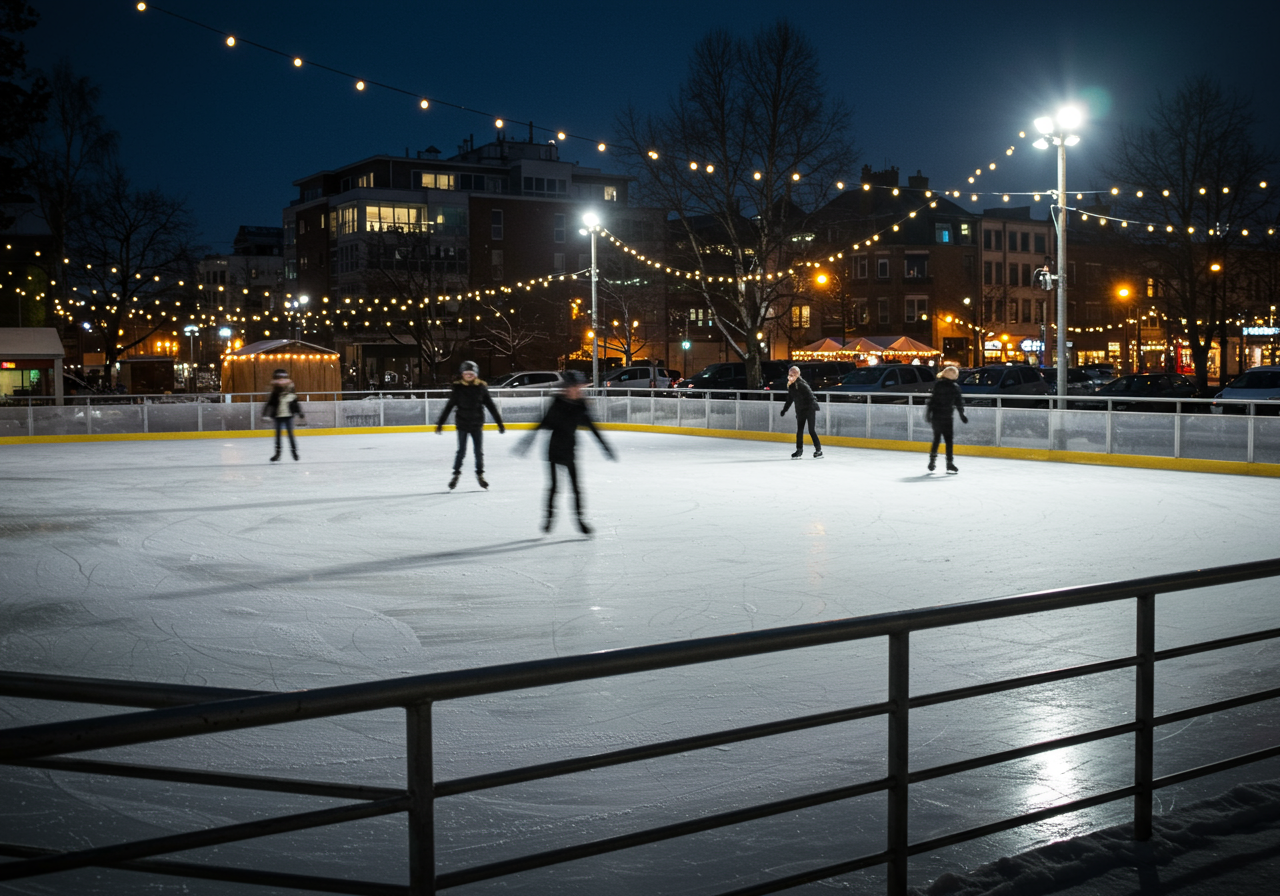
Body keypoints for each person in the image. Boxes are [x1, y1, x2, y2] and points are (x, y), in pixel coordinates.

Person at [515, 371, 615, 535]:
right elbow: (543, 422)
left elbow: (592, 426)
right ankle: (549, 519)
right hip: (554, 449)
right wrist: (526, 441)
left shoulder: (581, 405)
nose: (578, 390)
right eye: (575, 387)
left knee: (576, 488)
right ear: (567, 387)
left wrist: (605, 446)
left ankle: (580, 521)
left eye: (579, 387)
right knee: (554, 487)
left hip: (570, 449)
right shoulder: (557, 402)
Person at [436, 361, 505, 489]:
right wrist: (440, 423)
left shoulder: (481, 388)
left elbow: (490, 406)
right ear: (462, 374)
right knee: (461, 451)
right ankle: (456, 474)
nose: (469, 376)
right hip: (462, 424)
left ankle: (480, 474)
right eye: (466, 373)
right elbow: (449, 406)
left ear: (476, 374)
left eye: (471, 374)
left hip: (476, 424)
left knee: (478, 452)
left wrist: (499, 423)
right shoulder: (458, 388)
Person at [925, 365, 968, 474]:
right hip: (947, 417)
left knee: (937, 439)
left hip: (937, 416)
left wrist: (928, 413)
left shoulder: (938, 385)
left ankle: (932, 461)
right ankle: (949, 463)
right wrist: (962, 414)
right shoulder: (954, 387)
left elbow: (932, 401)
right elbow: (959, 402)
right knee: (948, 441)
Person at [262, 368, 305, 462]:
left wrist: (300, 412)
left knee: (290, 435)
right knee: (278, 436)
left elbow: (295, 402)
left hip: (288, 416)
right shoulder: (275, 392)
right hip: (278, 416)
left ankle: (294, 452)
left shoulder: (290, 390)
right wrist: (265, 413)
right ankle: (278, 453)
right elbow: (270, 403)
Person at [780, 365, 823, 458]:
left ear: (797, 375)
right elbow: (790, 399)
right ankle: (799, 450)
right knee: (799, 431)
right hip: (801, 411)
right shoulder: (791, 386)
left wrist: (806, 410)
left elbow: (811, 397)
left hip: (809, 409)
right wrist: (784, 410)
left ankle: (819, 450)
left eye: (793, 374)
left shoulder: (802, 385)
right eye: (790, 374)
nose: (790, 376)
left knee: (811, 430)